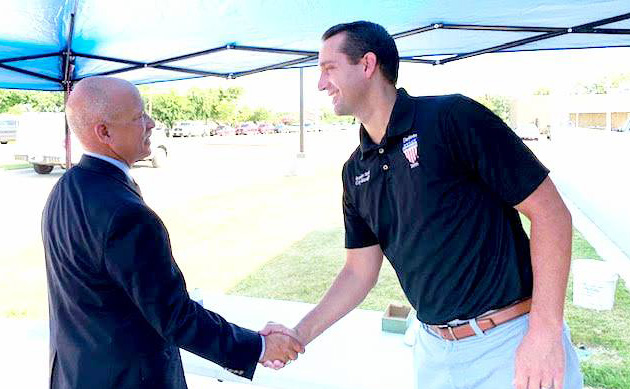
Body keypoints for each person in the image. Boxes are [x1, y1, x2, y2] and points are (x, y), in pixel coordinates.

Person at [261, 21, 583, 389]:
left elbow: (551, 213)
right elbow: (358, 272)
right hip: (433, 353)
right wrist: (299, 333)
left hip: (509, 342)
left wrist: (544, 332)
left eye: (328, 68)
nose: (320, 83)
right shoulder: (355, 172)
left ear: (367, 65)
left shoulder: (452, 119)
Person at [43, 76, 303, 389]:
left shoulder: (65, 188)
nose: (151, 122)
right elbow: (174, 316)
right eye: (139, 116)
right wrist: (258, 347)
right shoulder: (126, 213)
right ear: (105, 132)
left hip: (75, 375)